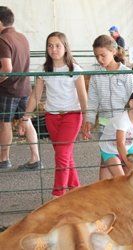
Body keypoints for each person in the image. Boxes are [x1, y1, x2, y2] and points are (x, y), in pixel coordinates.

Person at [19, 32, 87, 198]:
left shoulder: (74, 69)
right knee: (65, 155)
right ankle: (76, 189)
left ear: (65, 47)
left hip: (72, 115)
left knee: (62, 155)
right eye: (50, 45)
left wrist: (87, 120)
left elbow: (82, 96)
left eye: (57, 45)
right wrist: (25, 117)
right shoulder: (44, 70)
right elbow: (36, 95)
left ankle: (58, 195)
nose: (53, 49)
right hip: (52, 117)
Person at [84, 35, 133, 179]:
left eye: (103, 55)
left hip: (124, 126)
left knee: (126, 161)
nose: (100, 59)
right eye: (96, 56)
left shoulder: (126, 74)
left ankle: (125, 194)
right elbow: (93, 100)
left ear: (113, 51)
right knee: (106, 161)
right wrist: (90, 120)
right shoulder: (96, 76)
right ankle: (104, 195)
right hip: (105, 126)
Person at [0, 6, 41, 169]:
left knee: (5, 124)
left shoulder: (2, 40)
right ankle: (35, 158)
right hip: (24, 88)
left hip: (9, 89)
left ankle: (4, 159)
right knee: (27, 120)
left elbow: (7, 68)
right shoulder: (21, 37)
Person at [98, 90, 133, 180]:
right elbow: (120, 144)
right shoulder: (122, 120)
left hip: (128, 147)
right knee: (121, 179)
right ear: (132, 103)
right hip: (110, 150)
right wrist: (129, 164)